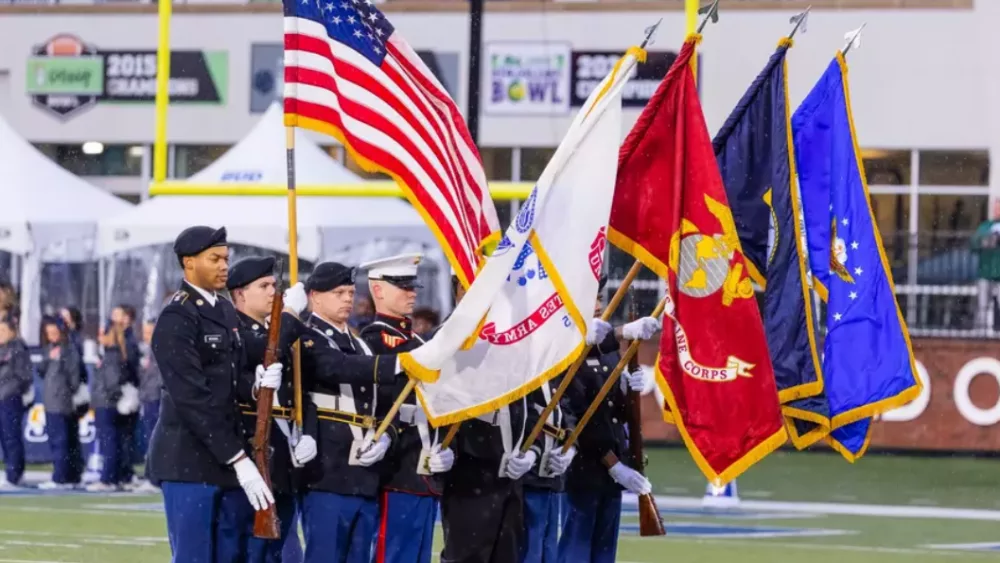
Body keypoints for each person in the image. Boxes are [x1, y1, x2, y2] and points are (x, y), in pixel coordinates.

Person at [148, 225, 275, 562]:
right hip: (189, 460)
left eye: (226, 259)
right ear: (189, 262)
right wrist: (238, 458)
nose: (224, 266)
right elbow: (192, 399)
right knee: (196, 556)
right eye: (214, 259)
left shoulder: (224, 310)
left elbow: (232, 376)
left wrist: (256, 384)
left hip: (224, 459)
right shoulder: (177, 316)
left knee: (230, 555)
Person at [294, 261, 406, 563]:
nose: (347, 299)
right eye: (338, 293)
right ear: (315, 297)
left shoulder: (360, 345)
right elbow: (335, 367)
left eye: (350, 292)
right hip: (327, 472)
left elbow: (388, 402)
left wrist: (386, 436)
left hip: (364, 474)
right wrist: (400, 363)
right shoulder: (306, 337)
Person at [357, 253, 454, 563]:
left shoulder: (417, 342)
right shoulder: (375, 341)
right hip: (396, 470)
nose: (412, 293)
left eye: (413, 286)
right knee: (394, 554)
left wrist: (445, 446)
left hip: (425, 468)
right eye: (402, 286)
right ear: (378, 290)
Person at [438, 269, 539, 563]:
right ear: (459, 289)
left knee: (507, 556)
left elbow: (529, 403)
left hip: (511, 469)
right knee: (466, 556)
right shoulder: (446, 339)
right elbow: (438, 403)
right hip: (471, 469)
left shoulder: (511, 340)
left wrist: (531, 450)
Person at [557, 282, 659, 563]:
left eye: (600, 298)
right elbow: (578, 418)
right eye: (591, 299)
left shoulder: (607, 352)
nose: (598, 306)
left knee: (604, 553)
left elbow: (615, 413)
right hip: (585, 469)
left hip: (611, 472)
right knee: (576, 550)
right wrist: (613, 465)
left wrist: (627, 391)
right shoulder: (565, 351)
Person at [227, 256, 313, 563]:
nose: (272, 292)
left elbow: (303, 391)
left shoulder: (281, 332)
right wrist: (289, 315)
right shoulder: (234, 331)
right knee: (250, 553)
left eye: (274, 285)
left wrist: (308, 433)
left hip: (283, 459)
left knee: (275, 553)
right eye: (263, 286)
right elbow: (264, 350)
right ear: (240, 294)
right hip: (253, 455)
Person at [87, 312, 140, 492]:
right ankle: (114, 477)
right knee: (113, 442)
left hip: (107, 404)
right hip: (107, 403)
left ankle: (108, 478)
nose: (99, 337)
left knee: (109, 443)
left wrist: (109, 396)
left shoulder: (112, 355)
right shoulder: (112, 354)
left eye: (103, 333)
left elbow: (114, 382)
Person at [38, 316, 84, 490]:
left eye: (55, 333)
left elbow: (74, 378)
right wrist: (48, 358)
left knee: (61, 441)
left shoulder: (69, 350)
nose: (52, 336)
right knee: (60, 440)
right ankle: (68, 476)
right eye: (49, 333)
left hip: (62, 402)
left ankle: (61, 477)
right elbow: (41, 370)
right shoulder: (50, 349)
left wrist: (67, 393)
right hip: (51, 401)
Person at [0, 318, 32, 490]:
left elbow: (24, 375)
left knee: (12, 437)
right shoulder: (4, 348)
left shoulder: (18, 348)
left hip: (10, 397)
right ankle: (11, 473)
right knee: (5, 438)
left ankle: (15, 475)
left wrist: (16, 391)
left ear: (13, 331)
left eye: (3, 330)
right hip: (2, 397)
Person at [136, 319, 161, 493]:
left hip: (156, 398)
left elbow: (159, 377)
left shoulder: (160, 350)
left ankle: (155, 479)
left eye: (149, 332)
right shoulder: (147, 351)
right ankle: (151, 476)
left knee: (154, 439)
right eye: (145, 332)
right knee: (149, 438)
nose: (146, 336)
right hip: (148, 397)